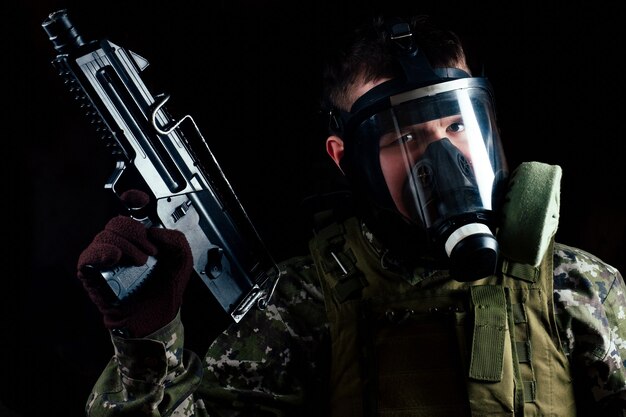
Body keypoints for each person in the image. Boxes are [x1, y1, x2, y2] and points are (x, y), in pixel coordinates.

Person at [75, 14, 626, 417]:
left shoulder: (577, 286)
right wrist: (145, 342)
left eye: (457, 126)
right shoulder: (304, 302)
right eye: (406, 135)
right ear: (346, 157)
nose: (443, 159)